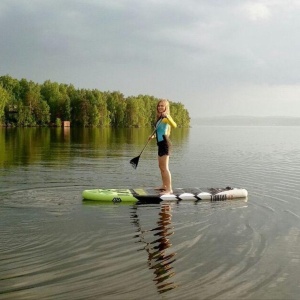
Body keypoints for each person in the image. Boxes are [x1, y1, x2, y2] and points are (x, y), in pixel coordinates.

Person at [149, 99, 177, 195]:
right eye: (159, 105)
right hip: (160, 143)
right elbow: (161, 132)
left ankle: (169, 189)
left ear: (166, 107)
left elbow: (174, 126)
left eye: (162, 106)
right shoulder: (159, 118)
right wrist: (153, 136)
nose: (160, 107)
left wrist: (168, 117)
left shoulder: (166, 117)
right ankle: (164, 185)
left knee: (165, 167)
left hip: (165, 144)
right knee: (161, 167)